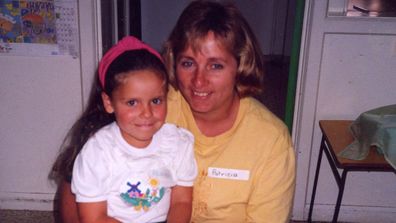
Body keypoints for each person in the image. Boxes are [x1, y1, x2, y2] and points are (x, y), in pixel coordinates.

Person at [51, 0, 296, 222]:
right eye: (188, 63)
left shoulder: (270, 141)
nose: (199, 81)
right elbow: (76, 183)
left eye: (216, 66)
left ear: (241, 65)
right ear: (173, 61)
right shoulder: (151, 104)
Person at [51, 36, 197, 223]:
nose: (147, 113)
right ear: (109, 103)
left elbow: (182, 202)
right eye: (132, 102)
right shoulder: (98, 152)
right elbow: (94, 218)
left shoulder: (178, 142)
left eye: (156, 101)